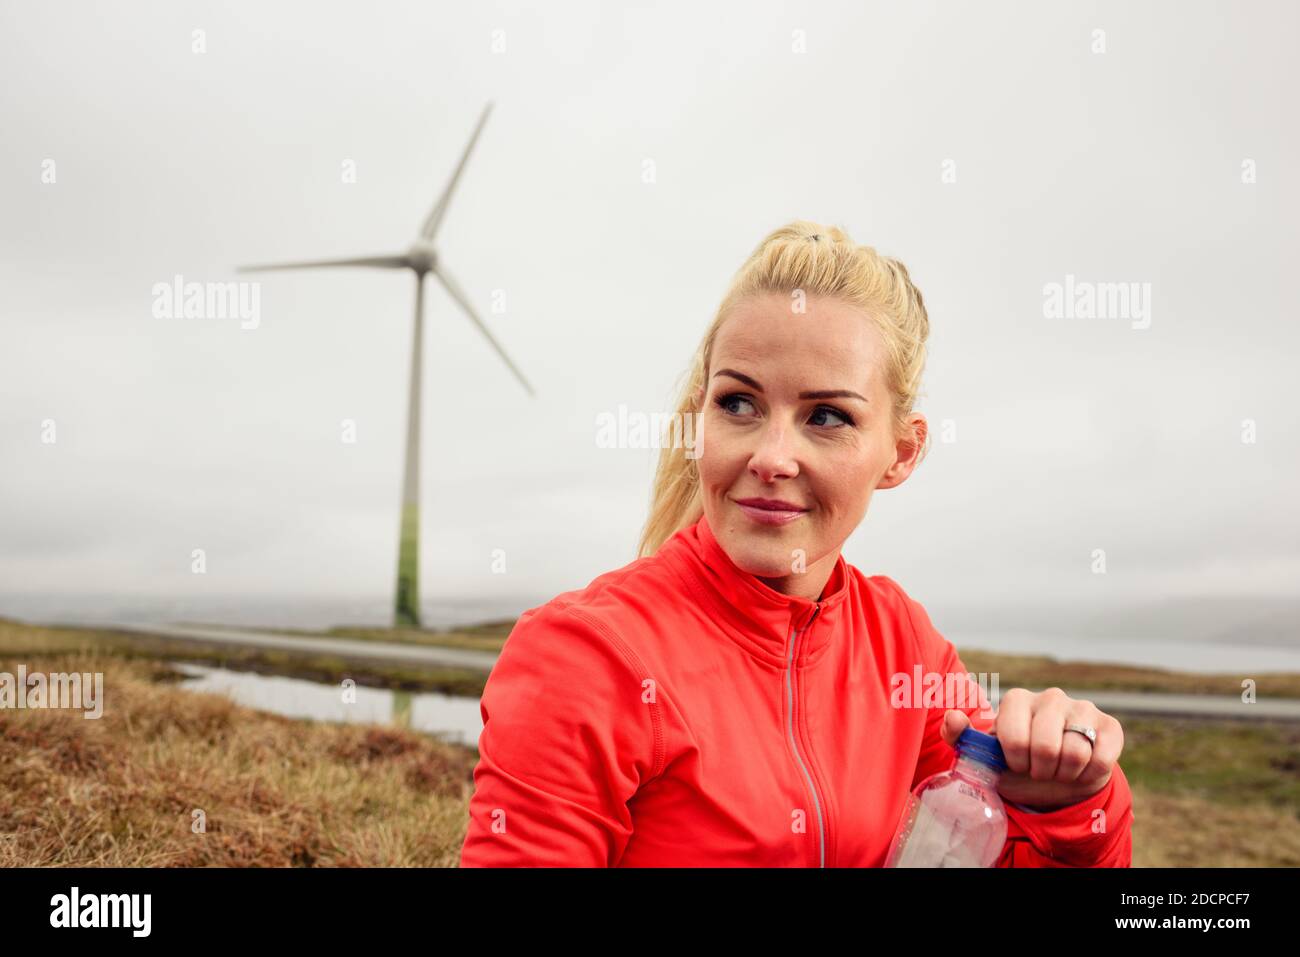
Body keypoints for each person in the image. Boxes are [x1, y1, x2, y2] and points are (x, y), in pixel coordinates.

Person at [458, 220, 1133, 867]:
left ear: (901, 452)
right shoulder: (585, 658)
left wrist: (1070, 809)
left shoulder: (902, 644)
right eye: (739, 404)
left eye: (828, 416)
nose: (771, 456)